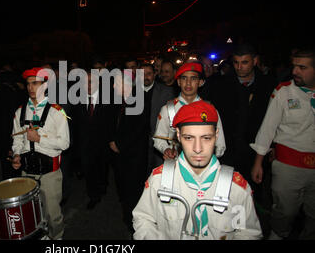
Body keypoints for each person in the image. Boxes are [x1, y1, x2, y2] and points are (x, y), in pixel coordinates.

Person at [133, 100, 263, 240]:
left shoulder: (235, 188)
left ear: (216, 135)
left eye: (206, 138)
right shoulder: (159, 180)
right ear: (178, 135)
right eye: (189, 138)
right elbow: (143, 219)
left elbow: (248, 233)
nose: (198, 148)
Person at [250, 47, 315, 240]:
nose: (295, 71)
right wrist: (258, 162)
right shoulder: (283, 92)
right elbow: (268, 129)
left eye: (302, 68)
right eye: (294, 66)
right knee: (284, 213)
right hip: (289, 165)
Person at [205, 44, 276, 198]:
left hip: (255, 151)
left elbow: (274, 120)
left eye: (244, 62)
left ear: (255, 61)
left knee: (251, 196)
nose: (239, 67)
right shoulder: (220, 84)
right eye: (236, 62)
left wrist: (273, 146)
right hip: (227, 151)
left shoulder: (268, 85)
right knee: (225, 195)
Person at [9, 67, 70, 240]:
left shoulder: (57, 111)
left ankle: (56, 238)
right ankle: (43, 234)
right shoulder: (20, 111)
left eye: (35, 83)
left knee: (52, 213)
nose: (30, 88)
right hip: (27, 170)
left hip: (49, 173)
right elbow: (17, 140)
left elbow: (65, 143)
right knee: (34, 209)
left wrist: (39, 139)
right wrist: (16, 155)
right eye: (28, 84)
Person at [153, 62, 226, 160]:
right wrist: (166, 149)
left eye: (193, 78)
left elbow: (220, 144)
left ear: (200, 82)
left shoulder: (210, 110)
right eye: (184, 78)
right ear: (178, 82)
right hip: (177, 164)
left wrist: (207, 157)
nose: (188, 83)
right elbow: (158, 138)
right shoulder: (168, 109)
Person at [109, 70, 150, 233]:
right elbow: (112, 123)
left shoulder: (140, 99)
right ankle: (127, 215)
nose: (113, 86)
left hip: (134, 156)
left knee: (134, 191)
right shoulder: (118, 100)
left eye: (117, 83)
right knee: (124, 189)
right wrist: (112, 140)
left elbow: (139, 129)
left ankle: (135, 223)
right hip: (120, 156)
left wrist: (120, 145)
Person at [71, 70, 115, 209]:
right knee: (89, 171)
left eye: (91, 81)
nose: (87, 85)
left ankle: (102, 186)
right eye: (84, 82)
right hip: (85, 145)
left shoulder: (109, 99)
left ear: (99, 82)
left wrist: (112, 140)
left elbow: (112, 123)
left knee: (102, 169)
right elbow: (75, 123)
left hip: (103, 144)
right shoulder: (77, 100)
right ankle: (93, 195)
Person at [139, 63, 174, 174]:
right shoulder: (131, 92)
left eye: (149, 73)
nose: (146, 77)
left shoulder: (166, 91)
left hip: (159, 140)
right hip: (138, 142)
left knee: (159, 173)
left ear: (155, 74)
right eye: (143, 74)